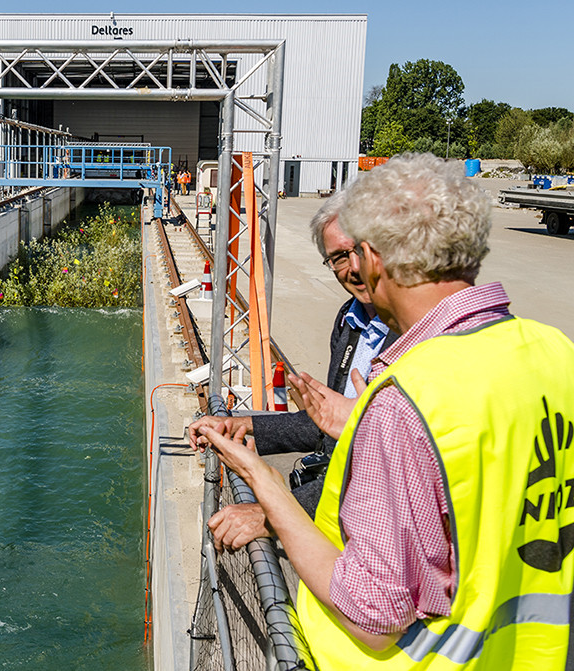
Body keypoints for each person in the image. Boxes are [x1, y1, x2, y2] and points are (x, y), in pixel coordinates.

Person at [197, 153, 574, 668]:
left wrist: (262, 482)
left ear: (373, 256)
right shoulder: (555, 351)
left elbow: (374, 615)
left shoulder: (409, 399)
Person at [189, 191, 396, 551]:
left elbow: (387, 469)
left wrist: (277, 513)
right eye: (338, 257)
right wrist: (242, 423)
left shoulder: (415, 338)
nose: (354, 268)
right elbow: (327, 426)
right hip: (339, 524)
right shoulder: (350, 321)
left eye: (361, 249)